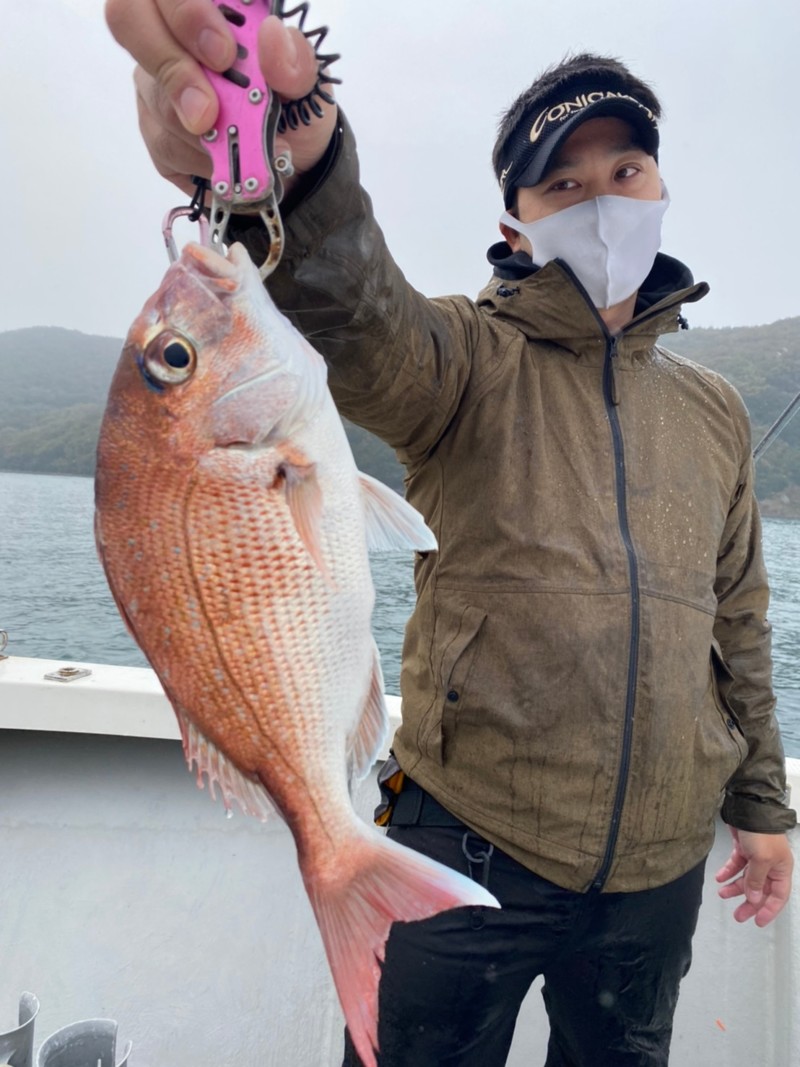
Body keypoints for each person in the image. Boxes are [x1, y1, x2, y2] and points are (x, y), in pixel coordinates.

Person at [107, 6, 796, 1064]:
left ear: (658, 188)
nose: (600, 200)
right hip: (467, 829)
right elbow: (353, 305)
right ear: (514, 223)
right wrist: (299, 163)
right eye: (562, 184)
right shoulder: (462, 359)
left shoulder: (712, 410)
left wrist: (760, 801)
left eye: (625, 170)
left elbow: (737, 615)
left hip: (655, 876)